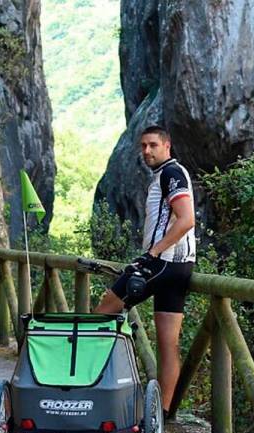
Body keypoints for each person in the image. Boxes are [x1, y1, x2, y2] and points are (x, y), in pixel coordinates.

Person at [95, 125, 196, 417]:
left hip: (161, 263)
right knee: (168, 344)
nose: (147, 151)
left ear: (167, 145)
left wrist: (153, 253)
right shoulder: (166, 174)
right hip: (181, 267)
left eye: (152, 145)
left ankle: (95, 388)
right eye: (143, 146)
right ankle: (162, 413)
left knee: (103, 313)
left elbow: (186, 219)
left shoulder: (171, 173)